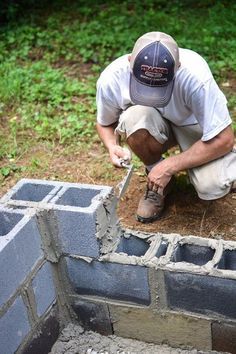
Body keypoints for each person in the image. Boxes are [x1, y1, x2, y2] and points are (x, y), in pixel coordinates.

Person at [96, 31, 236, 223]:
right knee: (134, 117)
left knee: (212, 186)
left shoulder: (195, 77)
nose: (152, 96)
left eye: (159, 88)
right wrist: (113, 146)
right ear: (129, 61)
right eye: (144, 86)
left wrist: (169, 166)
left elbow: (225, 139)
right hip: (153, 124)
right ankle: (159, 185)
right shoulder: (112, 78)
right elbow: (105, 123)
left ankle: (225, 165)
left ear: (177, 67)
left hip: (193, 127)